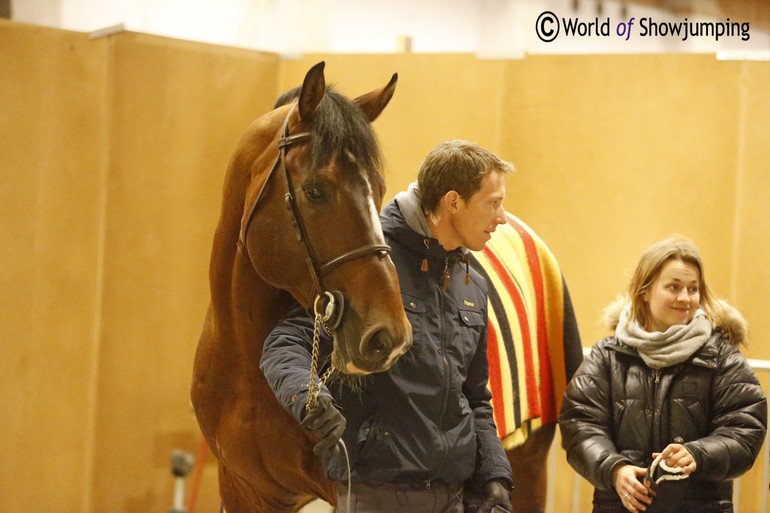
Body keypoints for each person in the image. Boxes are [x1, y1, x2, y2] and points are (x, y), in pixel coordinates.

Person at [261, 140, 515, 513]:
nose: (503, 217)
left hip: (453, 495)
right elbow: (286, 341)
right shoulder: (368, 262)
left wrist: (495, 475)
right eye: (493, 203)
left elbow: (475, 396)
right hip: (376, 491)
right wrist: (308, 398)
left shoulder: (471, 282)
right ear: (453, 202)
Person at [559, 235, 767, 513]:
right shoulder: (607, 356)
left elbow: (745, 427)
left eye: (693, 289)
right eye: (673, 287)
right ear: (645, 291)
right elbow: (579, 425)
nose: (685, 298)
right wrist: (614, 470)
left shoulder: (722, 357)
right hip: (620, 505)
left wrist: (698, 454)